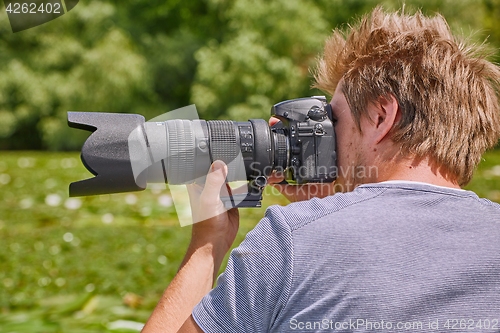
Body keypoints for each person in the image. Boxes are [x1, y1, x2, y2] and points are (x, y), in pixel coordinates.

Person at [142, 6, 500, 333]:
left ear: (381, 115)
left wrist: (209, 242)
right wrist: (344, 199)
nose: (326, 137)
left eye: (333, 118)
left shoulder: (291, 239)